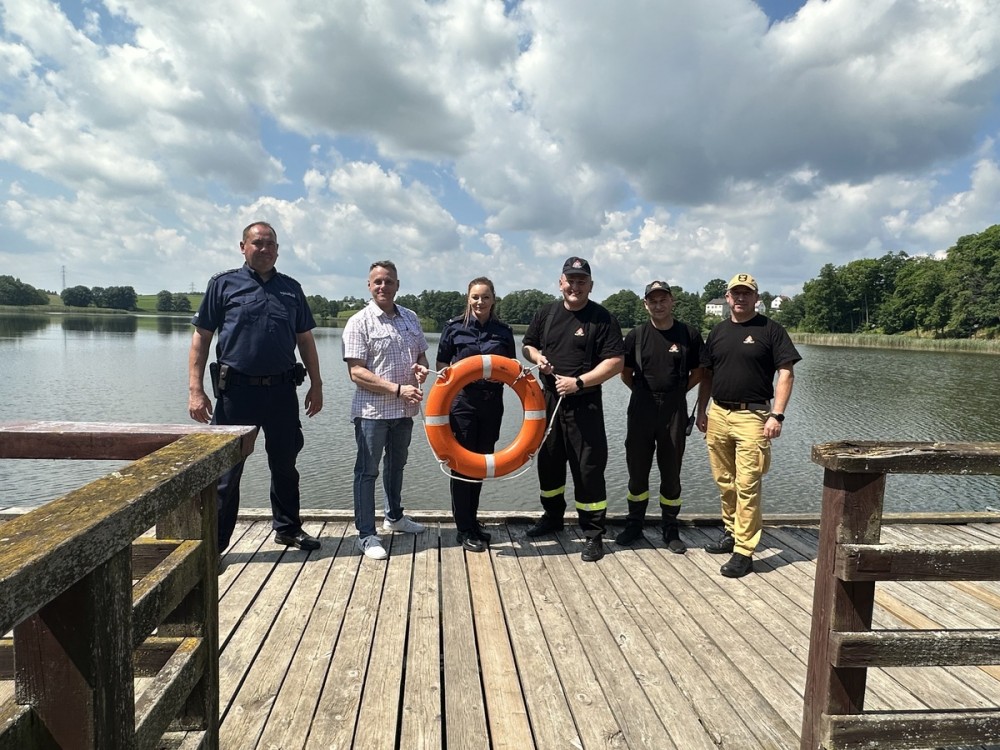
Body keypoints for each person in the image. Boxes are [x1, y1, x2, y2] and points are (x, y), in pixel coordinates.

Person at [188, 221, 324, 554]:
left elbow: (305, 339)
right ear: (243, 247)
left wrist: (317, 384)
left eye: (270, 244)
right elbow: (202, 337)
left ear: (277, 250)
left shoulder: (291, 289)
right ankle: (216, 545)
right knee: (227, 471)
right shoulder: (223, 285)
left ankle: (288, 529)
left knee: (285, 465)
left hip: (281, 392)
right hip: (236, 394)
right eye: (257, 243)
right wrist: (195, 389)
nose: (264, 249)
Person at [696, 273, 801, 578]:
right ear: (727, 297)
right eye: (736, 293)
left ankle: (744, 551)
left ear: (756, 298)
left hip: (753, 417)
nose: (741, 298)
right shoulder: (717, 332)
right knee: (724, 481)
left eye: (747, 293)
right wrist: (702, 411)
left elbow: (786, 373)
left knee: (748, 484)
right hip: (718, 414)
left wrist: (777, 415)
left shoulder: (771, 330)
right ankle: (731, 532)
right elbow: (707, 375)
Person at [521, 256, 625, 562]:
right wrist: (537, 357)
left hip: (584, 403)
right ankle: (552, 517)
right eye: (571, 280)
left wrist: (578, 382)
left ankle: (593, 533)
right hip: (549, 401)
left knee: (588, 469)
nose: (575, 286)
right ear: (561, 283)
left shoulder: (602, 318)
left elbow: (615, 362)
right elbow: (527, 345)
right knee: (549, 463)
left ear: (591, 285)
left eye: (582, 281)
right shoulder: (546, 313)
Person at [342, 260, 429, 560]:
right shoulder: (359, 322)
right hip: (372, 414)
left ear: (397, 285)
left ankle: (394, 517)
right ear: (369, 285)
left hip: (404, 412)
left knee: (396, 466)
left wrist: (421, 369)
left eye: (388, 281)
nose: (383, 286)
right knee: (367, 472)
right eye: (377, 281)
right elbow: (356, 372)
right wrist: (397, 389)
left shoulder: (410, 317)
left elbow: (422, 356)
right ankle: (366, 534)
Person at [617, 280, 704, 553]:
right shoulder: (635, 336)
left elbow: (699, 372)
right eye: (652, 301)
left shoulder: (689, 334)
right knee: (637, 471)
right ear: (646, 305)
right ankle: (634, 524)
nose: (658, 305)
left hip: (674, 409)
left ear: (672, 301)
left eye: (663, 299)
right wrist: (645, 394)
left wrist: (677, 393)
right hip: (641, 406)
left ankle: (670, 528)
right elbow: (625, 373)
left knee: (671, 472)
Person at [430, 277, 516, 553]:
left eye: (485, 297)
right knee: (462, 464)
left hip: (492, 404)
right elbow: (442, 362)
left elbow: (511, 368)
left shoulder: (503, 331)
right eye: (475, 297)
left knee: (479, 464)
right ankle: (463, 528)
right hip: (463, 404)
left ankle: (473, 521)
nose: (480, 302)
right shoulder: (454, 328)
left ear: (493, 299)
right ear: (468, 298)